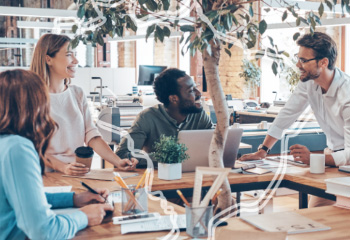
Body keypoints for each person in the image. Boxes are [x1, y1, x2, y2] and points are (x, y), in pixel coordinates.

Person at [0, 69, 114, 239]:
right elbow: (43, 231)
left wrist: (74, 199)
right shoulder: (17, 148)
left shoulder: (5, 142)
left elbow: (25, 199)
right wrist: (84, 216)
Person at [240, 32, 350, 207]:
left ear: (324, 62)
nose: (298, 65)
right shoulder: (309, 83)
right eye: (298, 58)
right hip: (332, 158)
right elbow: (287, 114)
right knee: (315, 216)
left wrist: (315, 158)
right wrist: (263, 150)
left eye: (304, 60)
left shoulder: (347, 95)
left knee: (339, 221)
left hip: (344, 160)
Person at [30, 34, 138, 175]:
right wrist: (63, 167)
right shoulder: (31, 97)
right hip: (45, 174)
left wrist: (118, 162)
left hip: (76, 172)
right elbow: (31, 147)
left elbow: (91, 136)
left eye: (75, 54)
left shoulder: (77, 93)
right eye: (69, 54)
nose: (76, 60)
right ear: (48, 59)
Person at [116, 68, 213, 166]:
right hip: (160, 177)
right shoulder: (147, 118)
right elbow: (122, 155)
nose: (199, 93)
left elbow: (216, 146)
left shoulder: (199, 115)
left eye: (196, 87)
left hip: (194, 175)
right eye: (191, 90)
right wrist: (166, 158)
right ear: (174, 98)